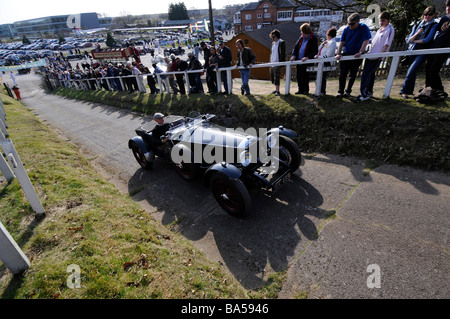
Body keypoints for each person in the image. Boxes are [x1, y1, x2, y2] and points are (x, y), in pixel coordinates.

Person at [355, 11, 395, 103]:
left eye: (383, 20)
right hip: (371, 55)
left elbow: (387, 44)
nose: (381, 22)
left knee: (366, 75)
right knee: (370, 75)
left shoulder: (389, 30)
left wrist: (381, 55)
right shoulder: (379, 30)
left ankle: (364, 94)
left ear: (388, 20)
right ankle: (369, 92)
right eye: (380, 20)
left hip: (377, 56)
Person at [400, 6, 438, 99]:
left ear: (434, 15)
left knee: (412, 70)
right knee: (411, 71)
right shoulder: (417, 25)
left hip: (423, 50)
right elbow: (409, 39)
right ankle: (408, 91)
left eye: (429, 14)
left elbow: (427, 40)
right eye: (425, 14)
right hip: (413, 49)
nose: (427, 16)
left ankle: (404, 91)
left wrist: (415, 40)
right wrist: (417, 34)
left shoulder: (434, 25)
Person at [335, 13, 371, 97]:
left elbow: (366, 40)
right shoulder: (346, 29)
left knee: (353, 74)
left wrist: (361, 52)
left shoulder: (363, 28)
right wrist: (338, 53)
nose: (350, 26)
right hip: (347, 53)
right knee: (342, 74)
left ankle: (348, 91)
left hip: (356, 54)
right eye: (349, 24)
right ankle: (340, 91)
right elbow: (342, 42)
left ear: (357, 22)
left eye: (352, 24)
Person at [425, 0, 450, 93]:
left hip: (444, 48)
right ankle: (428, 89)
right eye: (447, 7)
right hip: (435, 46)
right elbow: (438, 31)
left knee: (434, 69)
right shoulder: (444, 18)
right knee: (428, 68)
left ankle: (439, 90)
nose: (448, 9)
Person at [290, 23, 318, 95]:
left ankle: (306, 90)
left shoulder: (313, 38)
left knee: (305, 76)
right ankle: (300, 89)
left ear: (306, 32)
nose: (301, 33)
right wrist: (293, 55)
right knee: (299, 76)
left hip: (306, 61)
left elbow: (314, 51)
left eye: (302, 32)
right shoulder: (301, 37)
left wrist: (308, 57)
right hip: (299, 60)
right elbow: (296, 47)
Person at [315, 27, 337, 95]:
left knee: (322, 77)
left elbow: (329, 54)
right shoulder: (327, 42)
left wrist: (319, 57)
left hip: (326, 62)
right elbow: (319, 49)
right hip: (320, 61)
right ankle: (318, 90)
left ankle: (322, 91)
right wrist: (322, 44)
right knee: (318, 77)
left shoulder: (332, 42)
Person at [269, 29, 286, 96]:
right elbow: (272, 53)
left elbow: (283, 53)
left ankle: (278, 90)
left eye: (274, 37)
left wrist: (281, 62)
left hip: (277, 62)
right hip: (272, 62)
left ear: (277, 36)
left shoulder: (281, 42)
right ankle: (276, 89)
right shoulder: (273, 43)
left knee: (277, 76)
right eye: (272, 37)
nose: (273, 38)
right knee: (272, 77)